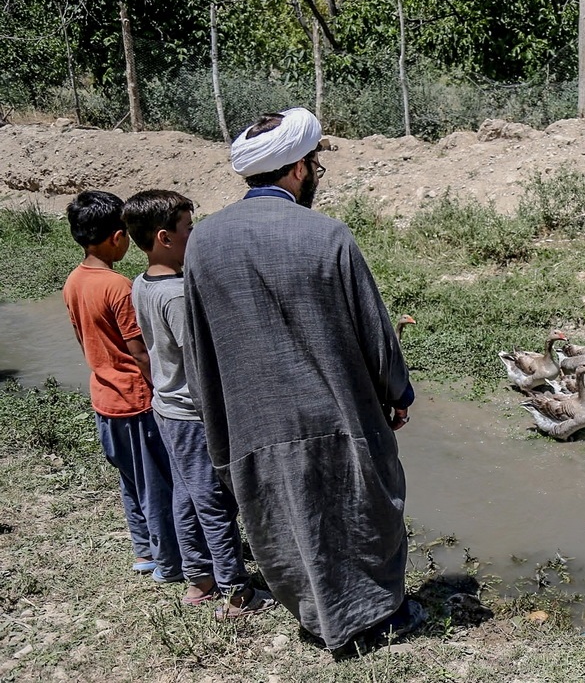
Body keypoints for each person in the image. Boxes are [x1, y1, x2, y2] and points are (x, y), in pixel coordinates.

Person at [182, 107, 422, 651]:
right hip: (338, 413)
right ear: (297, 169)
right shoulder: (327, 235)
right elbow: (374, 331)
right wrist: (398, 393)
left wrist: (213, 415)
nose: (315, 175)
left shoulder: (203, 241)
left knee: (286, 521)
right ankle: (377, 616)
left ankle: (318, 615)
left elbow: (198, 344)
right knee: (362, 513)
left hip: (252, 416)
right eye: (314, 164)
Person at [123, 189, 277, 620]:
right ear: (164, 238)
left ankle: (199, 578)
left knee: (187, 497)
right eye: (189, 229)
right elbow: (203, 359)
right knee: (215, 503)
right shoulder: (175, 296)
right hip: (193, 414)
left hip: (167, 407)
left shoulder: (141, 283)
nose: (195, 235)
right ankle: (235, 591)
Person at [62, 190, 182, 583]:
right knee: (157, 486)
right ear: (117, 237)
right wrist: (161, 387)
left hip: (104, 398)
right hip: (135, 400)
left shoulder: (74, 281)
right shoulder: (117, 286)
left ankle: (145, 551)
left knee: (131, 481)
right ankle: (169, 564)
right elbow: (140, 352)